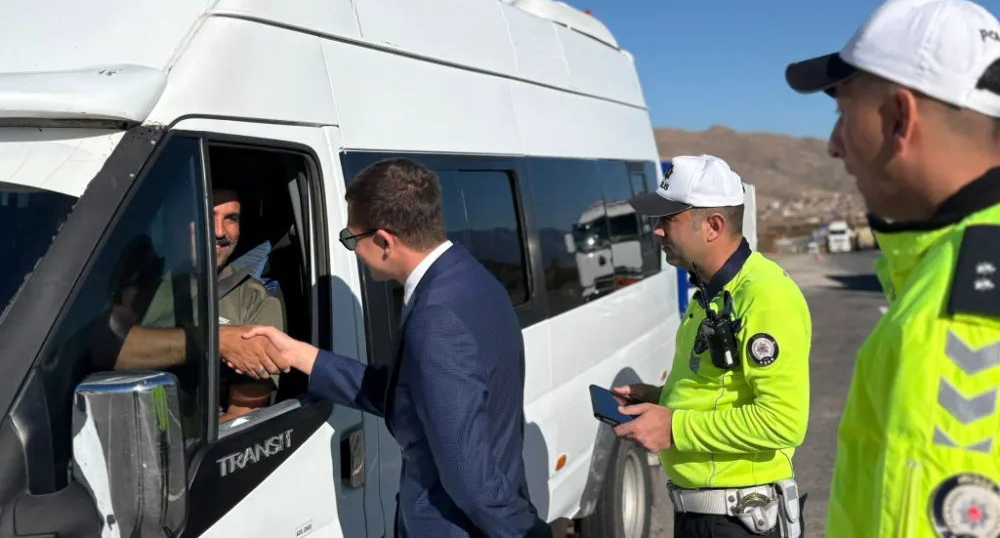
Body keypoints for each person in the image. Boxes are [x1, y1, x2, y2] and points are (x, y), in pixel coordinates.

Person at [785, 0, 1000, 538]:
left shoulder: (962, 313)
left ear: (900, 119)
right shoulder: (944, 268)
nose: (834, 146)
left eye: (843, 113)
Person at [243, 158, 550, 538]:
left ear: (385, 241)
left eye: (351, 239)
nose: (352, 249)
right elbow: (411, 393)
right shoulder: (471, 276)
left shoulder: (436, 318)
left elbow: (469, 476)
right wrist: (300, 355)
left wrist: (525, 532)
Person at [611, 154, 812, 537]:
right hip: (702, 514)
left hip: (738, 521)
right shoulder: (709, 291)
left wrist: (674, 428)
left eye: (668, 220)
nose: (656, 231)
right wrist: (660, 399)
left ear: (713, 226)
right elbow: (719, 389)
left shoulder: (766, 296)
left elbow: (782, 421)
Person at [99, 184, 289, 422]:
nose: (220, 231)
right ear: (175, 220)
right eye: (207, 216)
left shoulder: (254, 299)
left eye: (231, 218)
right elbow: (106, 349)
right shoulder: (143, 282)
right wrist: (215, 340)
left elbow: (244, 414)